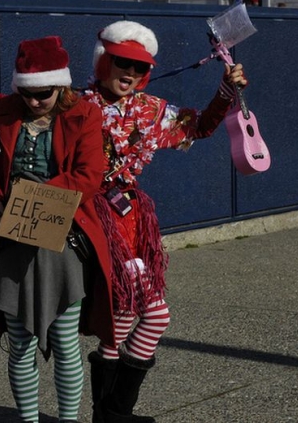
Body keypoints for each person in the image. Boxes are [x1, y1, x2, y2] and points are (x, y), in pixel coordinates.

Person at [80, 21, 248, 423]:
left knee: (136, 315)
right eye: (123, 63)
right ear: (104, 61)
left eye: (140, 68)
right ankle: (113, 413)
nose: (131, 74)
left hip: (134, 221)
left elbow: (200, 127)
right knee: (124, 314)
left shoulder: (150, 109)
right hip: (94, 220)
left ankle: (112, 413)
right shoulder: (78, 106)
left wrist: (226, 91)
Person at [0, 36, 113, 423]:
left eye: (44, 93)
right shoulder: (4, 111)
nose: (35, 101)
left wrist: (30, 198)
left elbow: (89, 176)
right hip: (11, 241)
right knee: (21, 344)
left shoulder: (84, 114)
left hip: (61, 239)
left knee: (65, 342)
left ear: (62, 86)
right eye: (28, 93)